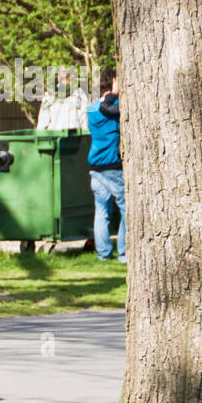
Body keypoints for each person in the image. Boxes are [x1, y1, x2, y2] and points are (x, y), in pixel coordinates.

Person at [86, 67, 125, 263]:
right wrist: (116, 94)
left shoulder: (91, 108)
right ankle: (124, 253)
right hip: (114, 165)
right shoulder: (117, 107)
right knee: (126, 208)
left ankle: (104, 255)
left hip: (95, 165)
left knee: (101, 211)